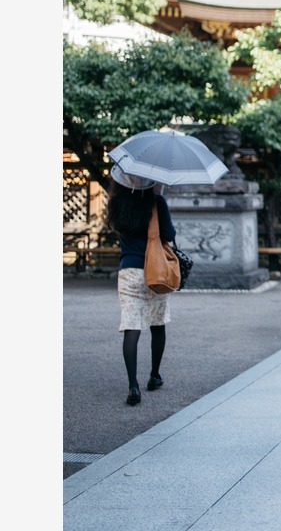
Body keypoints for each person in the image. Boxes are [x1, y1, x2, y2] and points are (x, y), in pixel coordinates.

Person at [105, 164, 175, 407]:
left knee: (131, 326)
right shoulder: (156, 202)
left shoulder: (117, 203)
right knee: (157, 323)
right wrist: (158, 206)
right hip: (155, 270)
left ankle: (133, 386)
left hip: (128, 271)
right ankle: (154, 375)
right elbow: (168, 234)